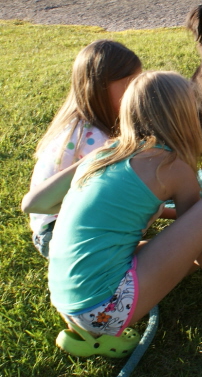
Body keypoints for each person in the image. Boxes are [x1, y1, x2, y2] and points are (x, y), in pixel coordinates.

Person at [22, 71, 202, 357]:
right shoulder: (170, 167)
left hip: (67, 301)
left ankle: (91, 337)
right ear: (184, 117)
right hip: (105, 309)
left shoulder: (102, 154)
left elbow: (35, 202)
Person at [25, 39, 143, 258]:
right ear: (100, 87)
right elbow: (118, 200)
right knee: (151, 251)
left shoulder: (82, 123)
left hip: (59, 227)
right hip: (60, 234)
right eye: (130, 86)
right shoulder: (94, 139)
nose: (137, 95)